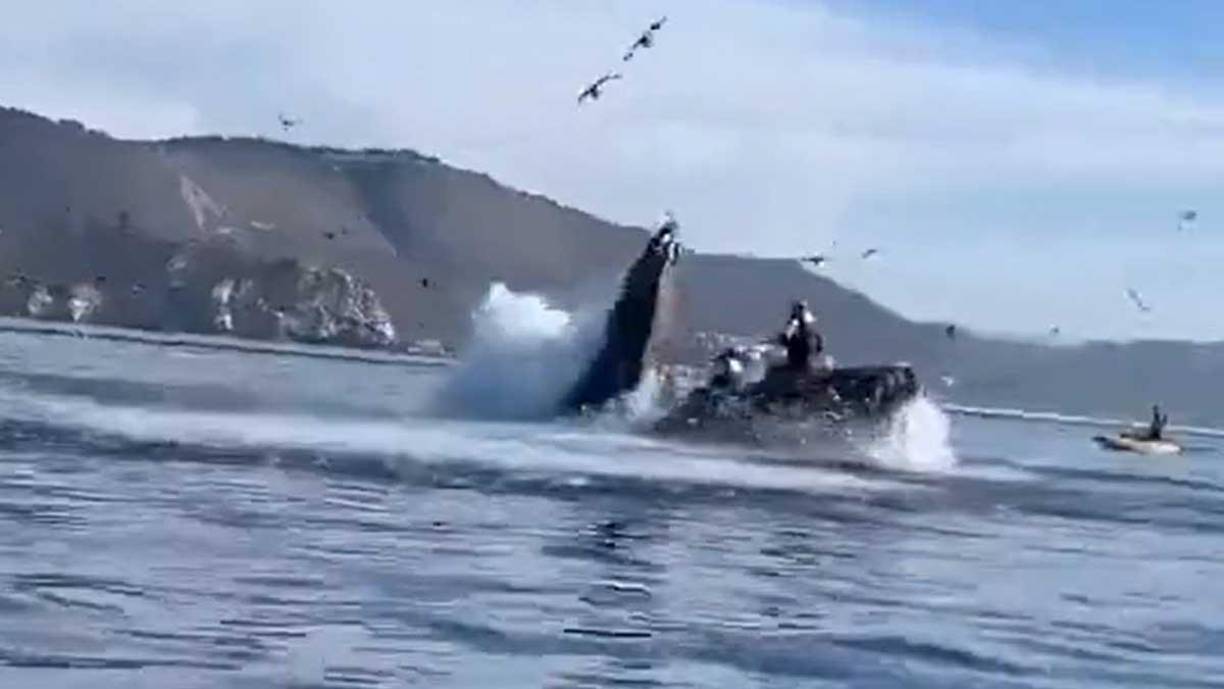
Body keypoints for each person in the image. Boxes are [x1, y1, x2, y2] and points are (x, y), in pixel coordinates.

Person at [777, 300, 823, 371]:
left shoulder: (812, 332)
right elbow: (784, 339)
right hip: (802, 363)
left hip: (804, 363)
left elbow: (784, 339)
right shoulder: (795, 328)